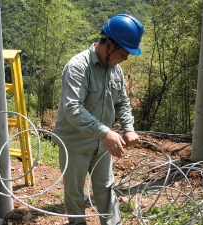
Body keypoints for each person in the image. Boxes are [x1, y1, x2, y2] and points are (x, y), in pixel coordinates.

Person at [52, 14, 144, 225]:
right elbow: (72, 109)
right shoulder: (77, 67)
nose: (126, 58)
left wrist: (128, 127)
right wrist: (105, 132)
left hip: (102, 143)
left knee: (106, 188)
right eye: (124, 52)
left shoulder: (116, 70)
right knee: (74, 194)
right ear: (109, 44)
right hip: (74, 143)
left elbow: (122, 102)